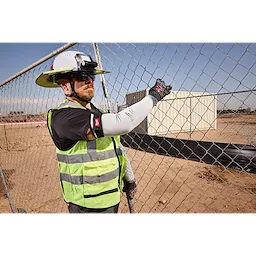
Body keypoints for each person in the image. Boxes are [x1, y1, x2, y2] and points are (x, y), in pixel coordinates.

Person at [35, 50, 172, 216]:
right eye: (81, 76)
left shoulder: (96, 112)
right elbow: (124, 123)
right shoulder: (64, 118)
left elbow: (117, 147)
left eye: (91, 76)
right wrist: (154, 96)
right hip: (87, 206)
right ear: (64, 85)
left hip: (110, 198)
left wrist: (129, 178)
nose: (89, 81)